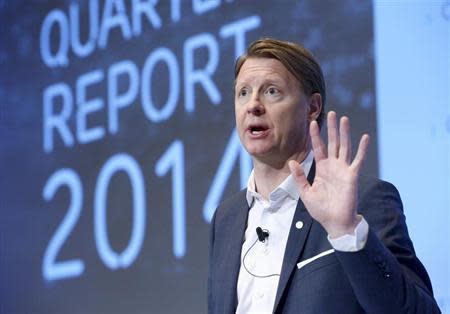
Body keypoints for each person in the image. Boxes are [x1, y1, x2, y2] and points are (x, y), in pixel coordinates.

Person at [207, 38, 441, 313]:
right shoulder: (226, 218)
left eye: (271, 91)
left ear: (313, 107)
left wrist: (347, 232)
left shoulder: (363, 200)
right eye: (243, 93)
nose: (253, 105)